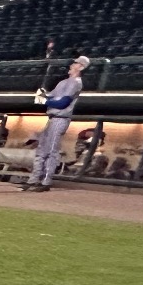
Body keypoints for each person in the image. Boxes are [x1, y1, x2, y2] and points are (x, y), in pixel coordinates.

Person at [25, 55, 89, 191]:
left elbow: (63, 103)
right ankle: (34, 179)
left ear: (81, 67)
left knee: (51, 151)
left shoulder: (76, 82)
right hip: (51, 118)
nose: (72, 65)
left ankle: (46, 182)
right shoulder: (62, 82)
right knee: (41, 150)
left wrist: (45, 101)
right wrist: (42, 94)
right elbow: (50, 96)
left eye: (76, 63)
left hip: (61, 119)